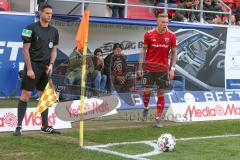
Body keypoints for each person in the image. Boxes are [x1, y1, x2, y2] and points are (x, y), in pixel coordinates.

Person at [13, 4, 60, 136]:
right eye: (46, 13)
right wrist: (29, 69)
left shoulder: (54, 31)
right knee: (25, 95)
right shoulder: (29, 28)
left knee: (44, 96)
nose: (49, 15)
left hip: (46, 67)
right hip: (32, 66)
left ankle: (45, 126)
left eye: (51, 13)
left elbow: (54, 50)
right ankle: (18, 126)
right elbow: (25, 50)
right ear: (40, 13)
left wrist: (51, 64)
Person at [138, 13, 177, 128]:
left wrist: (172, 69)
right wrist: (140, 67)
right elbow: (143, 52)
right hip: (149, 68)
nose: (165, 24)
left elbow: (174, 54)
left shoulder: (172, 36)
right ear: (157, 22)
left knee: (161, 93)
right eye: (163, 22)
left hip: (163, 70)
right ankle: (145, 108)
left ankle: (158, 118)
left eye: (167, 22)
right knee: (146, 91)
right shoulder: (149, 34)